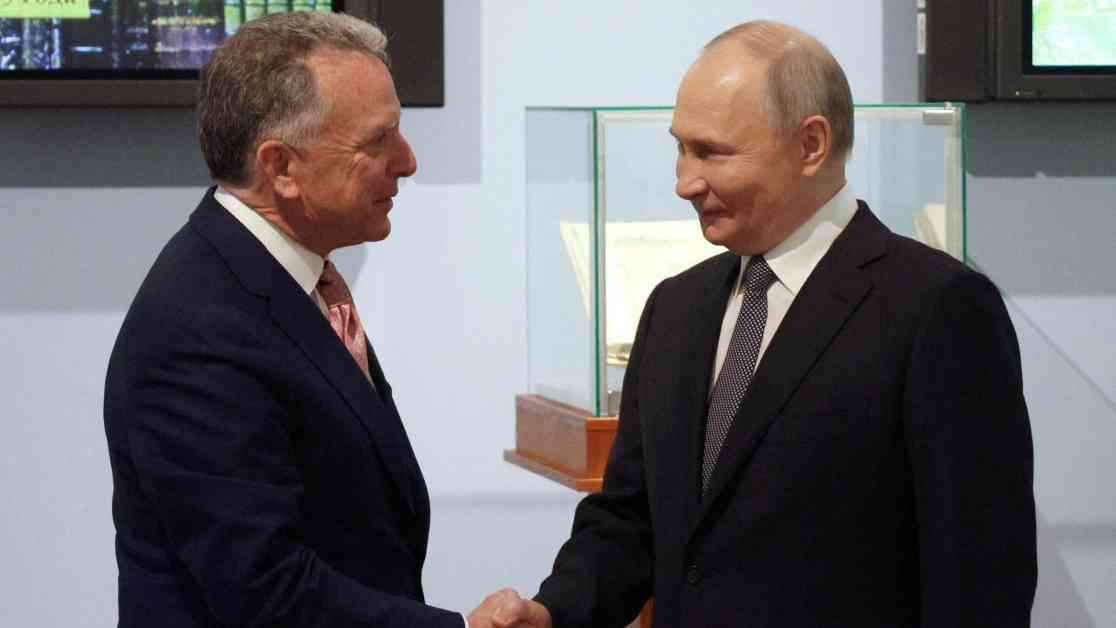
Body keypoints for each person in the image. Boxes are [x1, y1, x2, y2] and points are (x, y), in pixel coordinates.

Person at [490, 20, 1037, 628]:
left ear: (811, 145)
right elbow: (631, 519)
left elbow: (980, 574)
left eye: (712, 152)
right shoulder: (675, 308)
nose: (684, 182)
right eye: (680, 147)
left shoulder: (937, 309)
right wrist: (552, 611)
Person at [103, 11, 512, 628]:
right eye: (378, 141)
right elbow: (262, 588)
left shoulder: (284, 281)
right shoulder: (197, 333)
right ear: (281, 168)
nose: (407, 162)